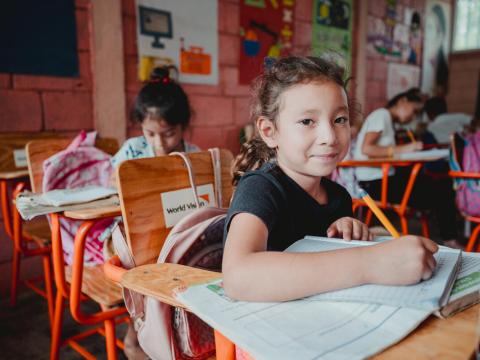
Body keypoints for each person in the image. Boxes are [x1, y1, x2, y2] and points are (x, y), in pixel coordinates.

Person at [222, 56, 438, 302]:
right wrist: (371, 262)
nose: (329, 136)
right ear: (270, 132)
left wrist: (352, 234)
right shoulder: (261, 188)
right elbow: (238, 276)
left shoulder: (338, 197)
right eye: (307, 121)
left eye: (339, 120)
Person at [354, 91, 462, 249]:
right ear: (403, 100)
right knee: (443, 188)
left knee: (438, 184)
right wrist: (406, 148)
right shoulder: (382, 114)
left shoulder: (389, 120)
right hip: (375, 184)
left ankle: (447, 236)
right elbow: (367, 148)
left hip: (382, 180)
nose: (413, 117)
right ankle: (450, 239)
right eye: (415, 111)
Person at [111, 65, 199, 169]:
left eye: (169, 134)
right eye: (150, 134)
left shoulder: (195, 156)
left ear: (183, 125)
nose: (159, 143)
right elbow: (113, 180)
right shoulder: (132, 150)